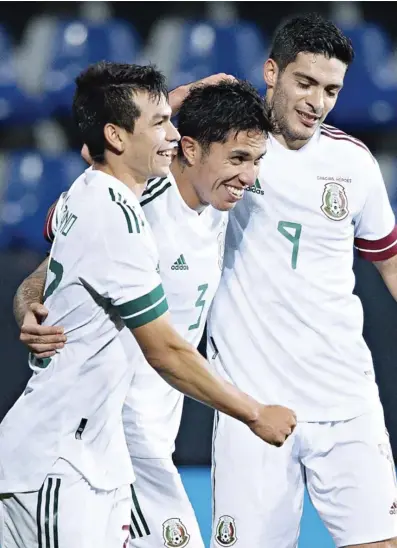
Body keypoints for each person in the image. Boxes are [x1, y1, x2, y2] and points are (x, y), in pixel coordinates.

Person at [1, 61, 296, 548]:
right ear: (191, 149)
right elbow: (163, 349)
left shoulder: (216, 198)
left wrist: (188, 95)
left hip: (121, 453)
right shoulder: (132, 204)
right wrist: (254, 413)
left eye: (256, 160)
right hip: (94, 446)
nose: (249, 176)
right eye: (238, 158)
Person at [207, 13, 397, 548]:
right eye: (305, 82)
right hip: (253, 405)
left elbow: (390, 260)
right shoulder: (228, 149)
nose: (317, 101)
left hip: (345, 397)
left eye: (331, 89)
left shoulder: (354, 163)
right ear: (272, 72)